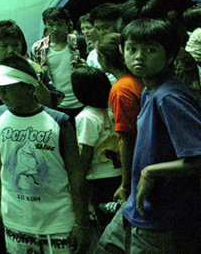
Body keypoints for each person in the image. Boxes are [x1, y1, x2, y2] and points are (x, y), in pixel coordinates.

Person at [95, 19, 201, 254]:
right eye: (132, 49)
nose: (139, 57)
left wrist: (149, 172)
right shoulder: (148, 90)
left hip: (161, 217)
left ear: (171, 56)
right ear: (122, 51)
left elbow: (197, 159)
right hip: (136, 206)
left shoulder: (168, 97)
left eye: (151, 50)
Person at [0, 54, 90, 254]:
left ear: (28, 87)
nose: (2, 93)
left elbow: (76, 174)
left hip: (57, 222)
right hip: (16, 218)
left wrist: (82, 222)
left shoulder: (59, 122)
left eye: (8, 87)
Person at [95, 33, 144, 207]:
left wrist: (125, 185)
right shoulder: (137, 78)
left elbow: (128, 139)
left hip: (140, 160)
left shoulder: (121, 89)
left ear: (104, 59)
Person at [71, 66, 121, 225]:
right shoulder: (112, 110)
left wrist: (79, 179)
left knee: (106, 223)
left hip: (101, 179)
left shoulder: (86, 117)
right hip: (120, 173)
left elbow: (86, 152)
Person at [31, 7, 86, 121]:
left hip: (82, 102)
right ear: (45, 24)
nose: (55, 28)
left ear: (67, 24)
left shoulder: (79, 42)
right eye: (50, 24)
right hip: (56, 104)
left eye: (60, 24)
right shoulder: (37, 48)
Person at [87, 4, 121, 70]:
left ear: (118, 24)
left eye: (106, 27)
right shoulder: (93, 55)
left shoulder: (127, 51)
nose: (101, 33)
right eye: (98, 29)